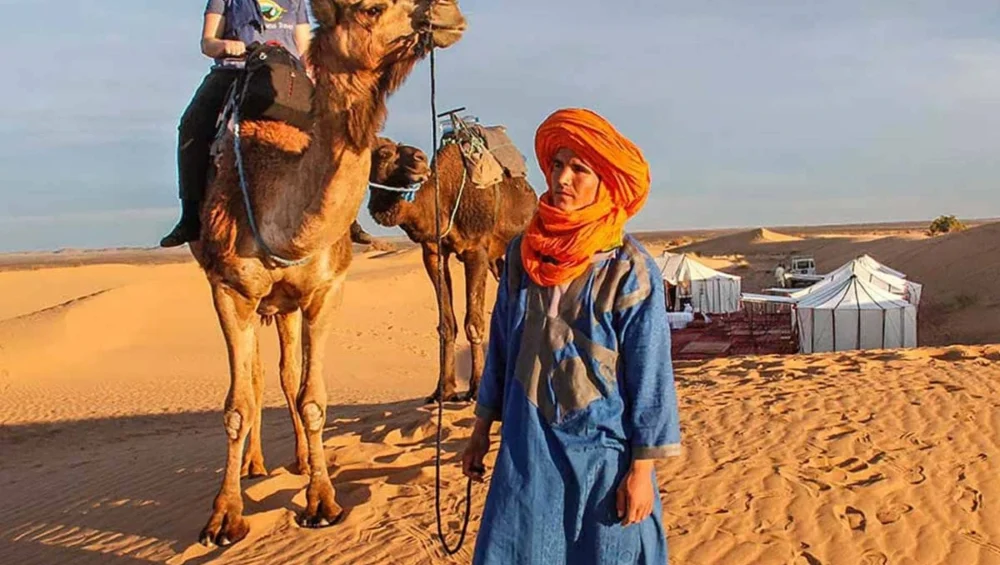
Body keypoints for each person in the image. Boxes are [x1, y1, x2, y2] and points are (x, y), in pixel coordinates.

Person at [461, 108, 682, 565]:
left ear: (605, 180)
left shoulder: (629, 269)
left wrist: (642, 471)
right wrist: (481, 429)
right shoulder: (523, 255)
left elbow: (650, 376)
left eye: (579, 169)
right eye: (558, 165)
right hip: (528, 449)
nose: (563, 178)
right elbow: (502, 344)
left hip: (604, 455)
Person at [159, 0, 312, 247]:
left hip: (285, 76)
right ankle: (190, 216)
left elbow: (304, 46)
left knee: (334, 127)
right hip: (236, 70)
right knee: (192, 126)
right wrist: (224, 46)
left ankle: (345, 221)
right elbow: (207, 43)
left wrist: (317, 67)